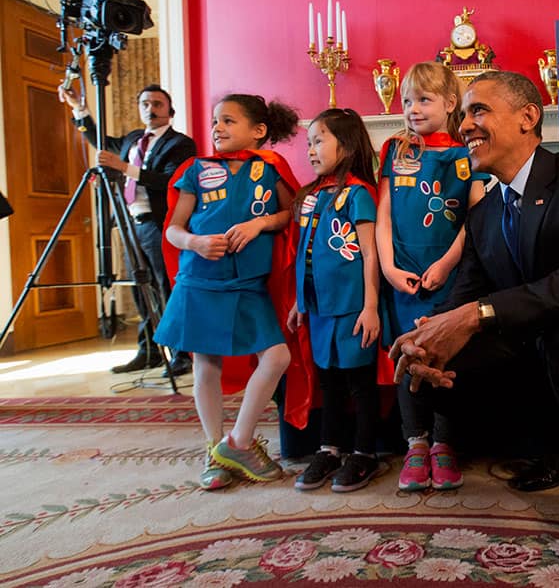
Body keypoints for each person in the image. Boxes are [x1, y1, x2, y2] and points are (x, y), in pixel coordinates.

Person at [390, 71, 559, 579]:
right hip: (535, 350)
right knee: (422, 360)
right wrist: (426, 340)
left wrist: (480, 314)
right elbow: (465, 300)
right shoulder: (483, 215)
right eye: (463, 115)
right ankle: (544, 446)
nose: (464, 125)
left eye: (478, 111)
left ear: (527, 117)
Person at [154, 94, 302, 490]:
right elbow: (174, 228)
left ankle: (237, 441)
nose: (217, 127)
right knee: (207, 366)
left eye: (228, 121)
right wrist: (195, 243)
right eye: (215, 121)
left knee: (276, 357)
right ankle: (212, 450)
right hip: (201, 282)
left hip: (248, 285)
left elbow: (295, 212)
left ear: (258, 131)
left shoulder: (271, 169)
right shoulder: (196, 169)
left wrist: (261, 224)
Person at [376, 62, 488, 492]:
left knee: (442, 354)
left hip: (449, 275)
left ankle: (444, 441)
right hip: (403, 276)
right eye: (407, 101)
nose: (413, 109)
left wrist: (446, 264)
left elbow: (476, 216)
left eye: (423, 100)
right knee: (408, 354)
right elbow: (383, 211)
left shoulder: (468, 152)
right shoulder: (395, 150)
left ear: (449, 103)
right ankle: (415, 442)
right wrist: (387, 266)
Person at [59, 84, 196, 377]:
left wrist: (124, 168)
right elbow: (102, 142)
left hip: (160, 224)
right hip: (130, 223)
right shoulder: (133, 139)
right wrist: (78, 109)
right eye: (145, 103)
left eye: (157, 103)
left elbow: (170, 180)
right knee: (139, 288)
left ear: (169, 111)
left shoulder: (180, 144)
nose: (150, 108)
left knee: (165, 287)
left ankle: (181, 354)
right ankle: (148, 352)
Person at [288, 109, 382, 493]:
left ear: (346, 145)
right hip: (319, 307)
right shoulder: (313, 195)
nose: (311, 149)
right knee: (329, 382)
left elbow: (370, 254)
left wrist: (371, 306)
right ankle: (330, 448)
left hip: (352, 307)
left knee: (359, 382)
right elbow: (305, 253)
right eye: (308, 142)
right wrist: (299, 301)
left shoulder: (358, 193)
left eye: (319, 140)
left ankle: (365, 452)